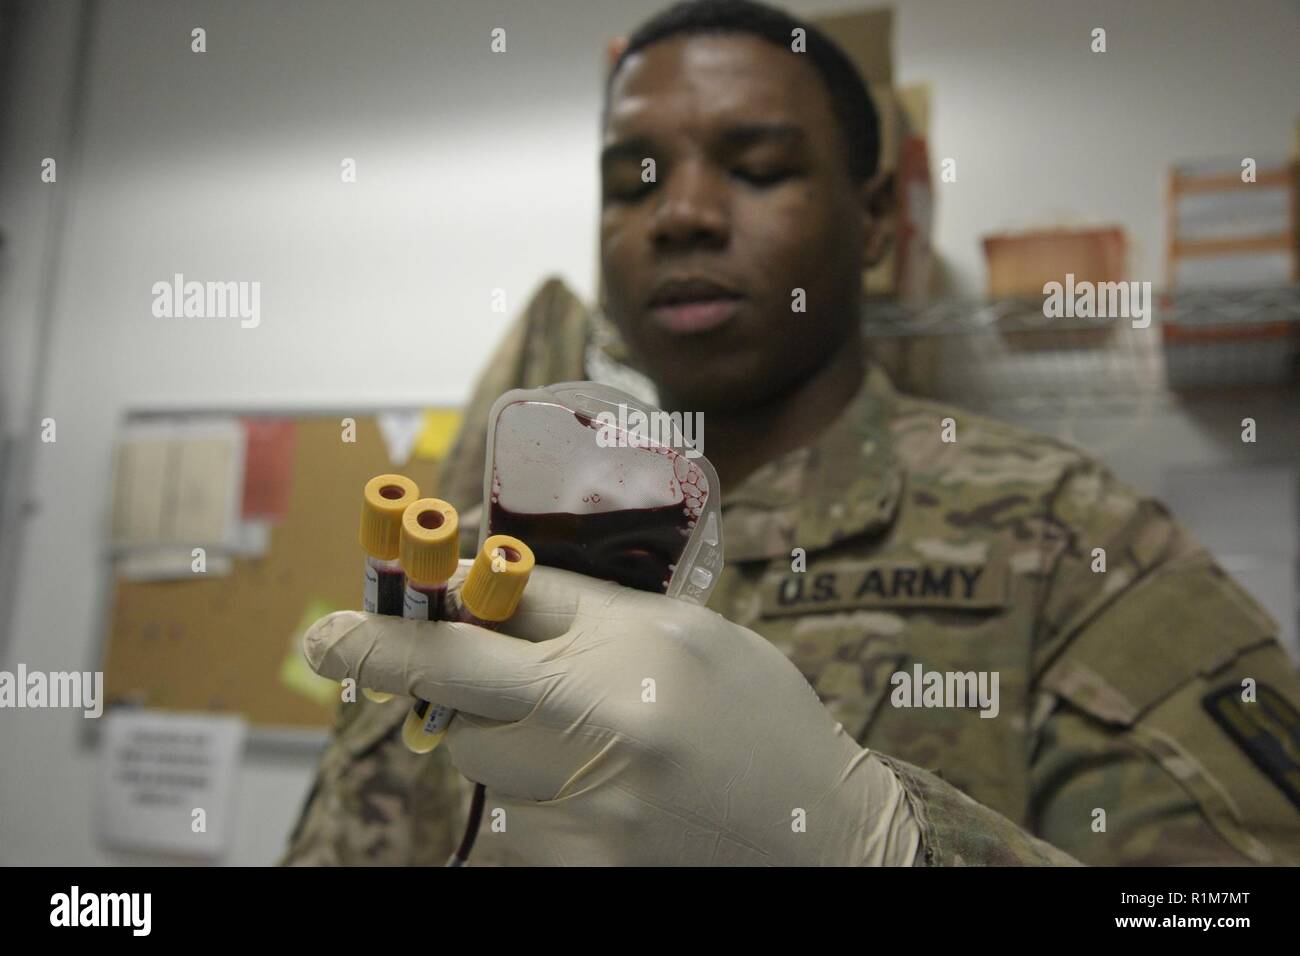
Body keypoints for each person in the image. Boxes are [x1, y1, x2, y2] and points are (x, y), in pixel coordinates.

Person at [279, 0, 1300, 866]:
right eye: (632, 181)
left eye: (757, 168)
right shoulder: (474, 548)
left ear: (874, 226)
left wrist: (887, 844)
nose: (679, 214)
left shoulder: (1074, 544)